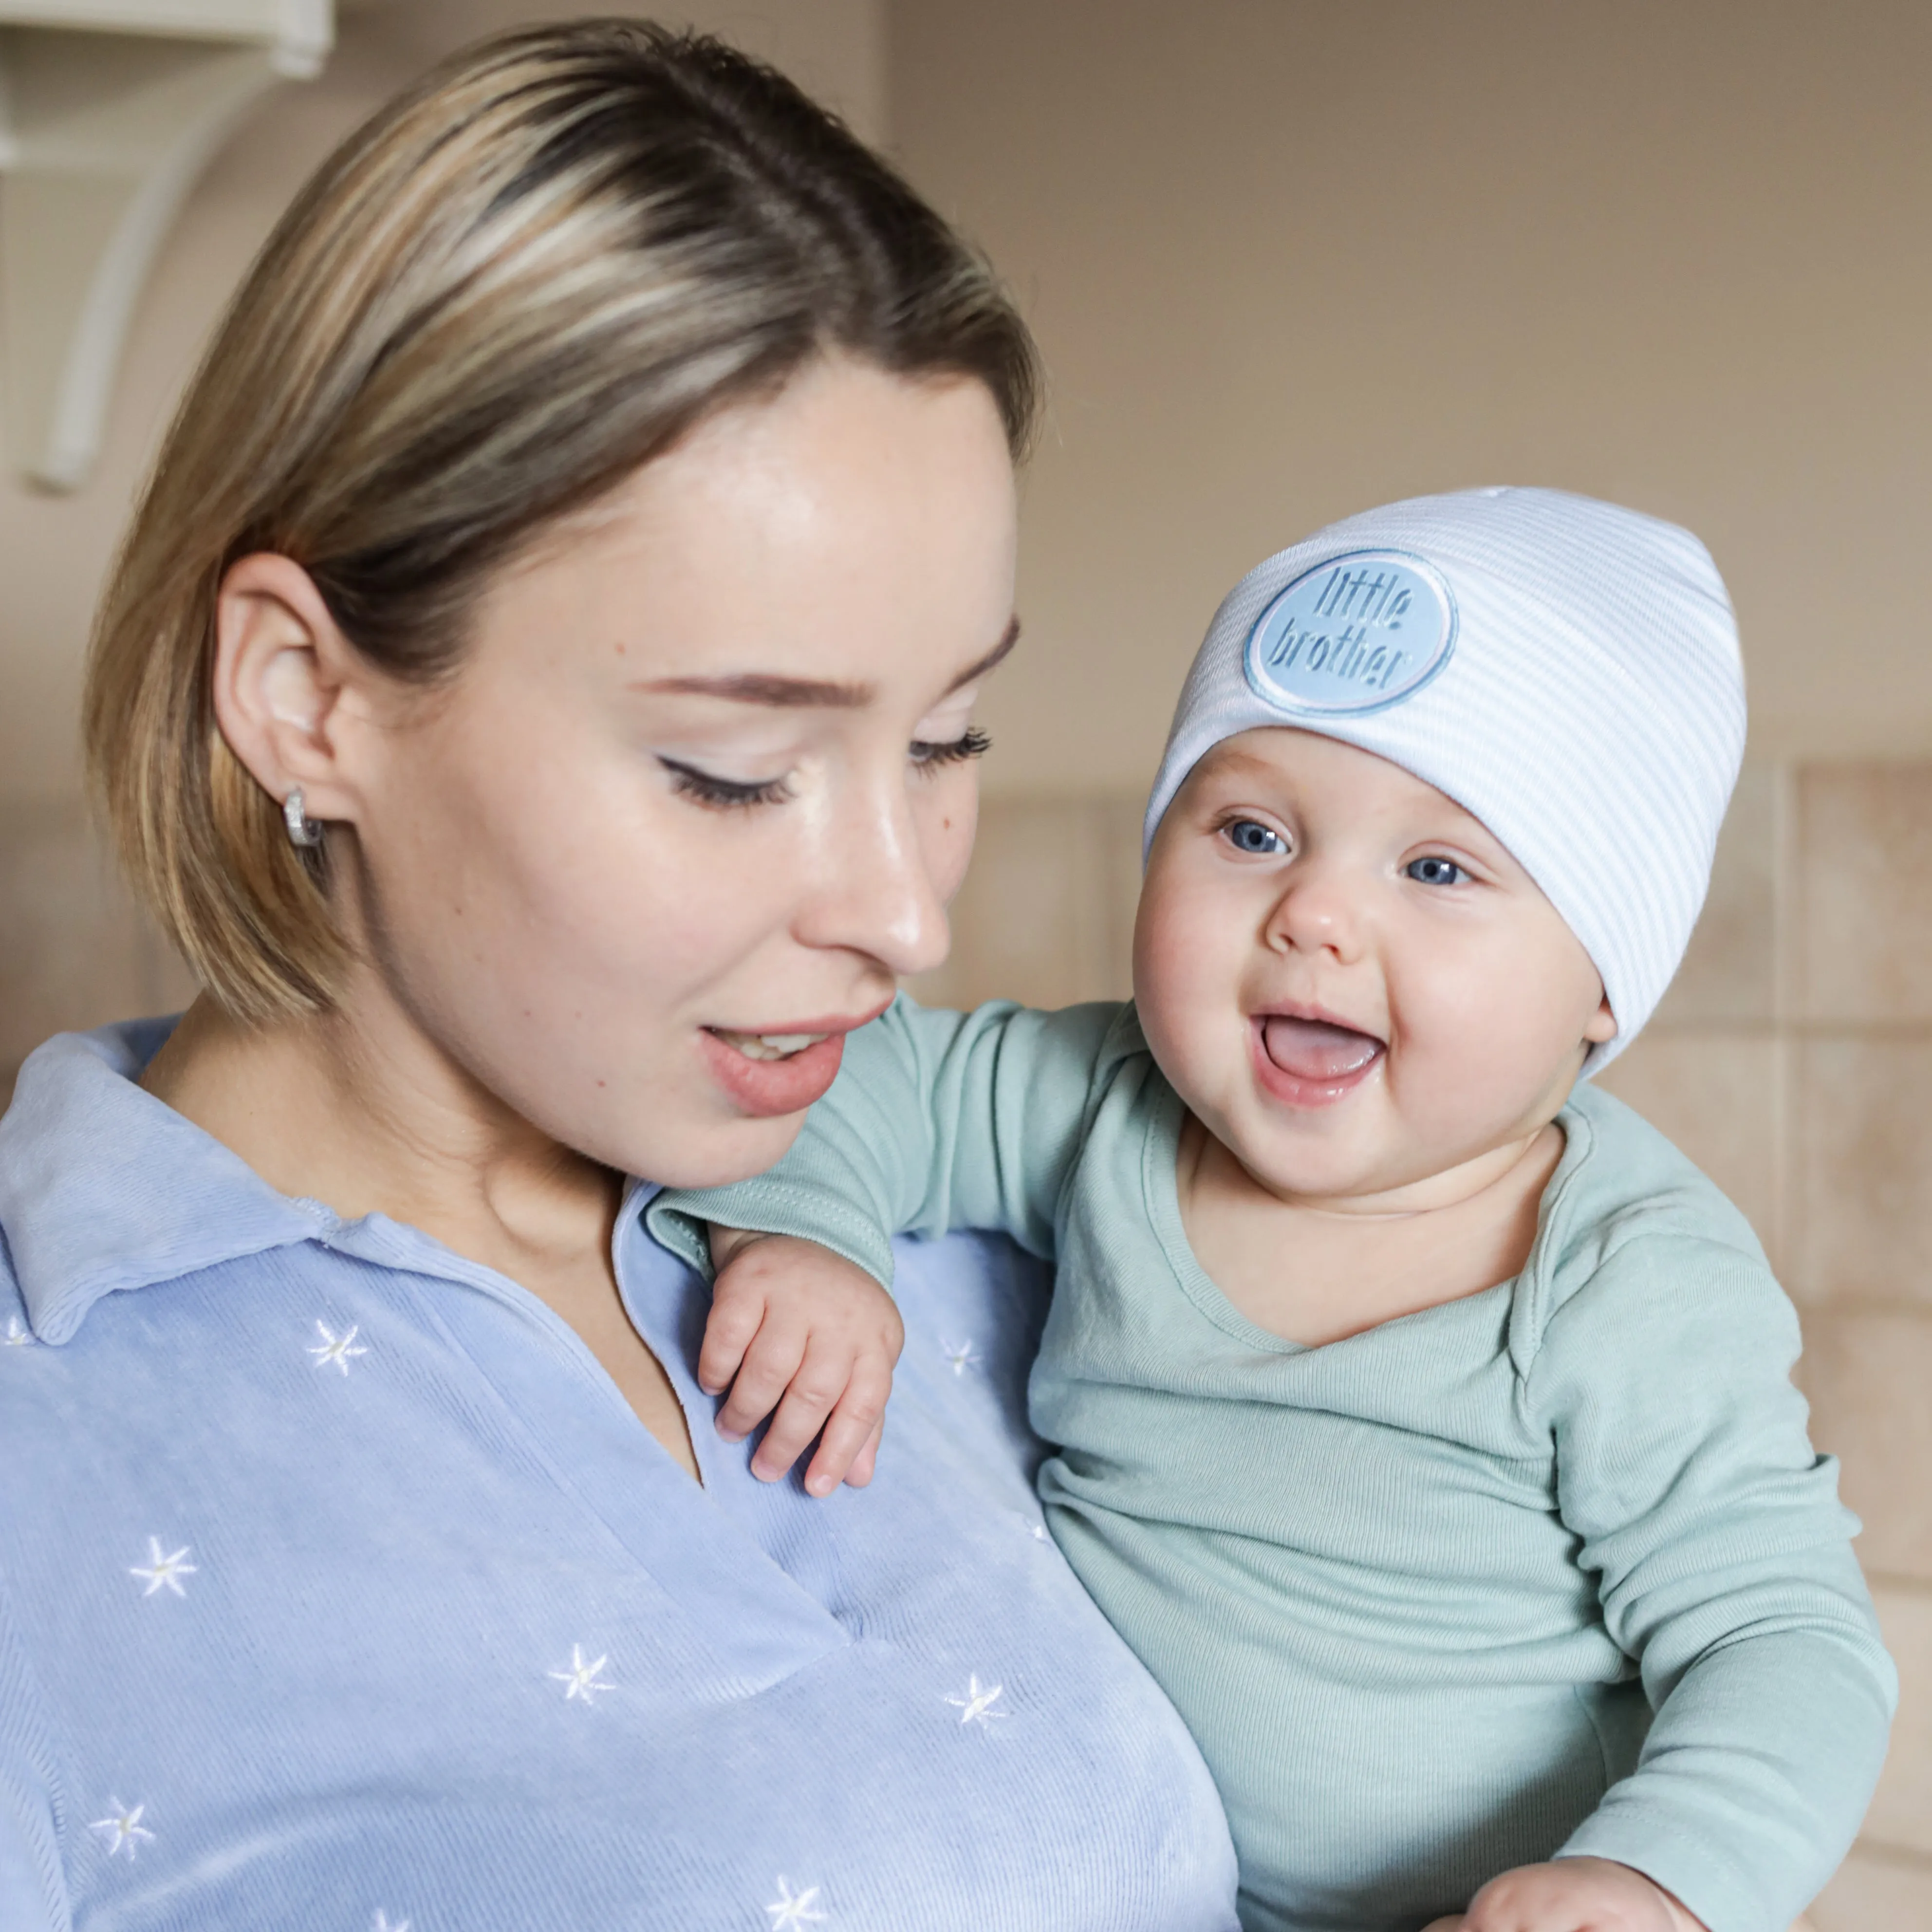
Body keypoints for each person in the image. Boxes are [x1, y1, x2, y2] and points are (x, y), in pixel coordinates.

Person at [0, 22, 1243, 1931]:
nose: (903, 918)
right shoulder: (52, 1443)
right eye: (734, 768)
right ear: (305, 697)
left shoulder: (1000, 1244)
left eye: (948, 737)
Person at [653, 489, 1898, 1932]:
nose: (1313, 913)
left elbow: (1781, 1636)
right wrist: (805, 1229)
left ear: (1605, 977)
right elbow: (860, 1076)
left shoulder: (1624, 1277)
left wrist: (1659, 1879)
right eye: (1249, 832)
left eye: (1438, 868)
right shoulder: (1105, 1103)